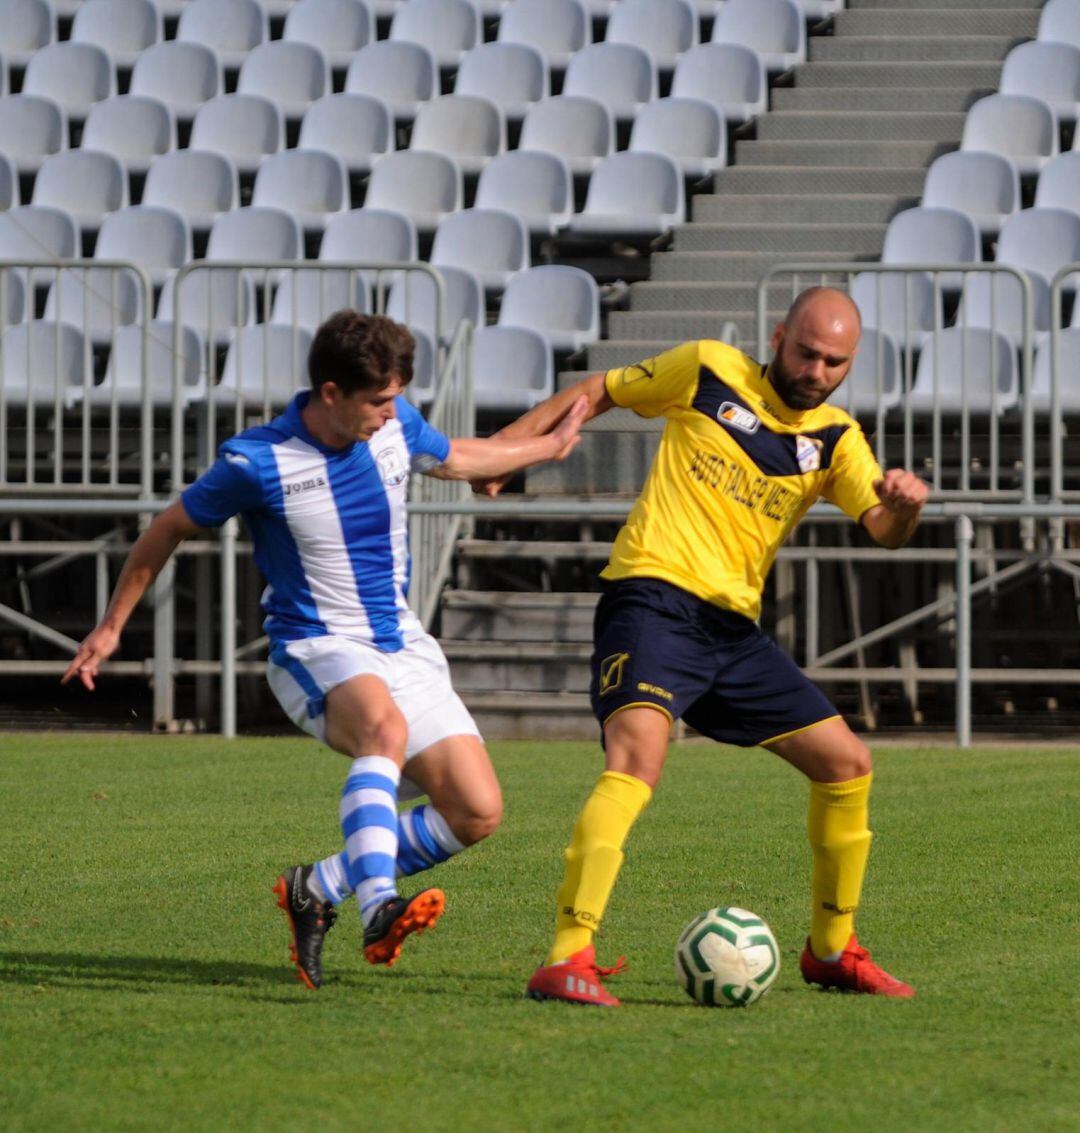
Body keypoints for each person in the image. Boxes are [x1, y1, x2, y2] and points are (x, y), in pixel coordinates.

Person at [63, 311, 588, 990]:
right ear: (331, 392)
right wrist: (110, 627)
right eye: (377, 400)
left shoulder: (393, 424)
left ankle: (319, 885)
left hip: (402, 644)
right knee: (384, 729)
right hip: (315, 645)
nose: (389, 413)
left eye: (395, 397)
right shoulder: (257, 460)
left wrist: (543, 451)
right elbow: (167, 526)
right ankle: (377, 906)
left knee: (477, 809)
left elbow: (458, 456)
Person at [476, 287, 929, 1005]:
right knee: (637, 760)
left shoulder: (838, 438)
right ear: (778, 336)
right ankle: (567, 955)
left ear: (851, 363)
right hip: (652, 597)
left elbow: (883, 527)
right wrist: (507, 450)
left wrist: (904, 508)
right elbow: (600, 390)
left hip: (731, 632)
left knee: (847, 763)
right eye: (805, 351)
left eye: (833, 361)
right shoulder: (708, 369)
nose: (816, 369)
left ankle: (833, 950)